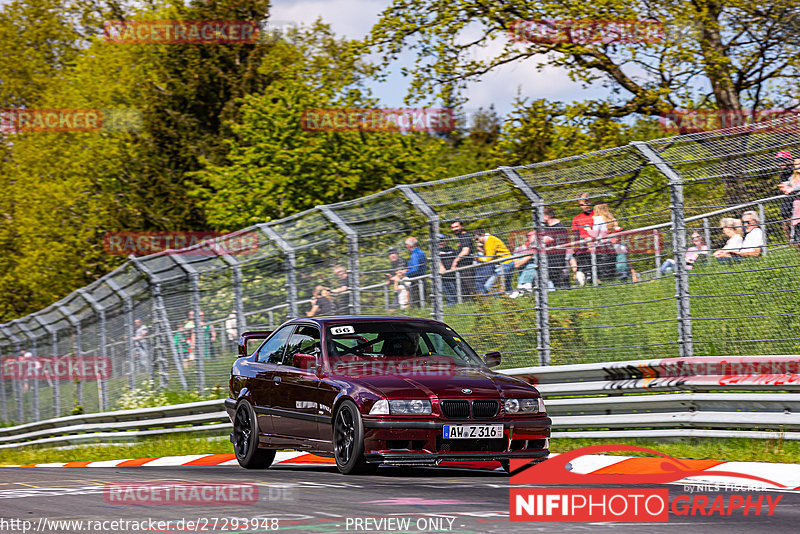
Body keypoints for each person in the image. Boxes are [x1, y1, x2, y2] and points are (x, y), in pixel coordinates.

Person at [473, 228, 514, 294]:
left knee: (489, 286)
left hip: (505, 264)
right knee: (506, 287)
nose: (476, 241)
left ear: (482, 234)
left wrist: (477, 259)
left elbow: (488, 259)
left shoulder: (489, 240)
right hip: (506, 263)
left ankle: (499, 302)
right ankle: (509, 300)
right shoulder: (489, 240)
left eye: (477, 239)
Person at [587, 203, 619, 281]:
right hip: (610, 246)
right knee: (610, 269)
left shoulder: (598, 219)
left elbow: (595, 234)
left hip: (601, 247)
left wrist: (587, 229)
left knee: (603, 269)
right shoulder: (610, 219)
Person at [542, 206, 570, 289]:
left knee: (557, 279)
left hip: (556, 258)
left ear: (547, 216)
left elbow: (546, 240)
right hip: (550, 258)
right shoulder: (548, 227)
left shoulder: (558, 226)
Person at [571, 193, 595, 284]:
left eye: (586, 202)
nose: (584, 206)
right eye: (581, 204)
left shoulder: (597, 214)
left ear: (590, 201)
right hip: (583, 244)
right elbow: (575, 235)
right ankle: (583, 274)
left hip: (596, 241)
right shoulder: (577, 218)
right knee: (579, 252)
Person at [449, 220, 476, 297]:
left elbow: (465, 251)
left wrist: (455, 262)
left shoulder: (465, 236)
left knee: (470, 290)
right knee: (465, 291)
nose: (454, 229)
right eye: (453, 227)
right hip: (463, 268)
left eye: (456, 227)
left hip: (466, 268)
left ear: (462, 226)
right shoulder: (461, 238)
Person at [510, 230, 538, 298]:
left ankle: (523, 288)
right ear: (527, 239)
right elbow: (516, 264)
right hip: (523, 275)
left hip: (537, 276)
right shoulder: (519, 249)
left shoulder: (539, 250)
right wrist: (530, 255)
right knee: (530, 265)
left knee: (532, 265)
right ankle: (524, 288)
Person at [779, 157, 800, 245]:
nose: (798, 166)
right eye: (796, 164)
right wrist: (785, 186)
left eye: (799, 164)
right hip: (797, 206)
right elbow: (788, 184)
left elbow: (794, 188)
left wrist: (792, 189)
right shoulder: (793, 177)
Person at [776, 151, 795, 244]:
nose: (781, 163)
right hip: (788, 199)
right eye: (779, 161)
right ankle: (790, 242)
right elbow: (782, 187)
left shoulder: (795, 171)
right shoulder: (783, 175)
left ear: (789, 160)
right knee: (785, 217)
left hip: (795, 198)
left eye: (783, 160)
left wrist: (790, 186)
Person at [404, 237, 427, 306]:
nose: (406, 246)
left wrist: (405, 274)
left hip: (416, 280)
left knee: (415, 303)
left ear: (410, 245)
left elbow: (415, 269)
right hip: (422, 278)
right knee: (420, 300)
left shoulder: (415, 254)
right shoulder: (421, 252)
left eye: (406, 244)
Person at [436, 234, 459, 305]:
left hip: (453, 274)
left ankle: (457, 305)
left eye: (442, 241)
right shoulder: (435, 252)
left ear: (445, 241)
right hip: (444, 277)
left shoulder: (450, 249)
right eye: (438, 241)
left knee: (455, 291)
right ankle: (451, 306)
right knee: (449, 293)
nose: (440, 243)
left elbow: (457, 256)